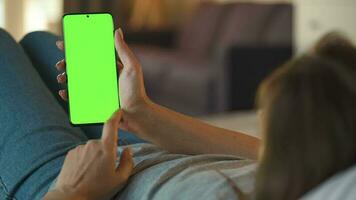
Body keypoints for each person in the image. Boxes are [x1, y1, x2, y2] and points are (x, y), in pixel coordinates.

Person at [0, 27, 354, 200]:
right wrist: (145, 114)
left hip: (84, 183)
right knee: (40, 44)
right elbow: (275, 156)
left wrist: (71, 190)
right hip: (147, 151)